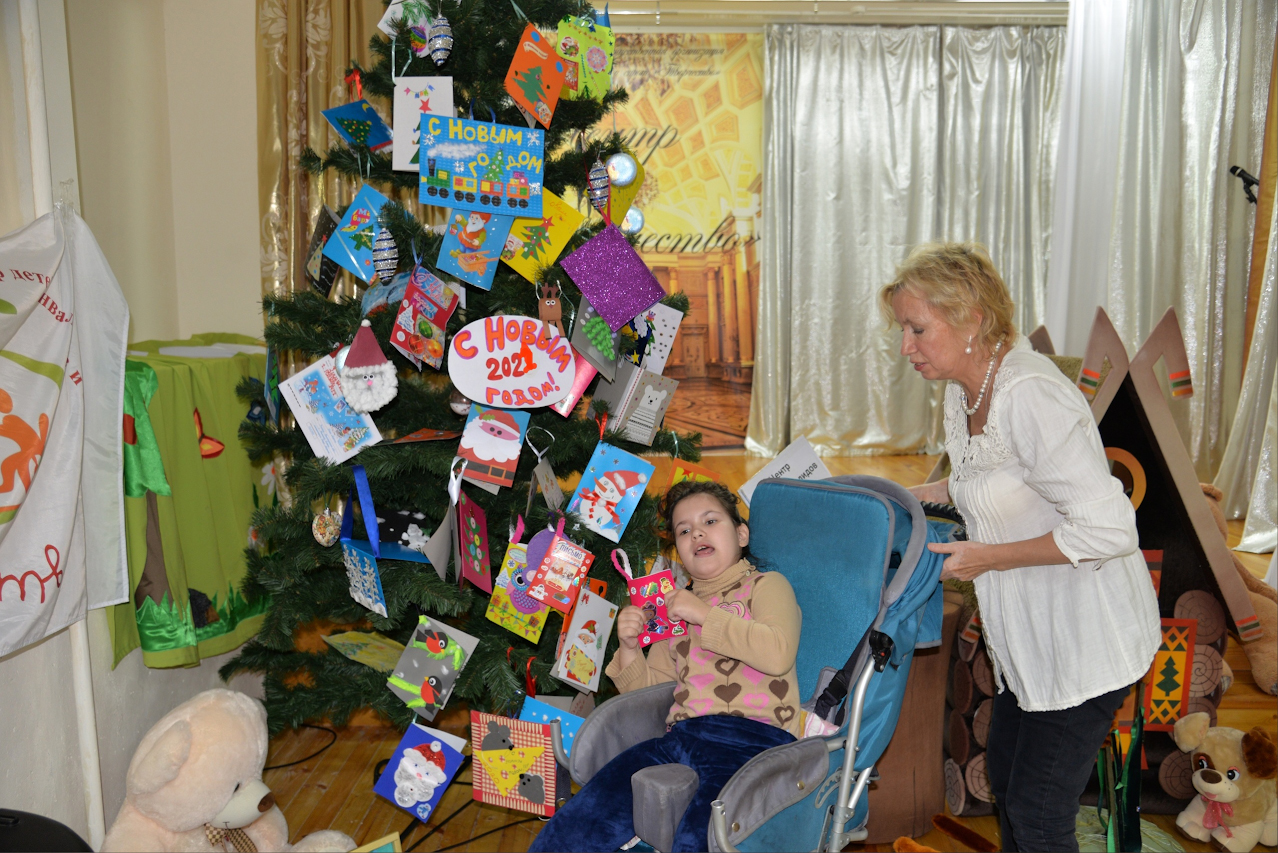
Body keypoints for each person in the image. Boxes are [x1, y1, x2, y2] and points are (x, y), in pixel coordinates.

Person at [880, 242, 1160, 852]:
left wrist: (986, 558)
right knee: (1007, 780)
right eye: (903, 329)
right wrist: (902, 496)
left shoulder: (1032, 395)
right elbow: (985, 481)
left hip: (1085, 639)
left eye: (917, 328)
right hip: (1033, 638)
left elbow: (1111, 529)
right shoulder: (964, 389)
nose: (905, 346)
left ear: (972, 319)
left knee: (1037, 813)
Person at [530, 480, 810, 853]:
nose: (697, 533)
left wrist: (703, 614)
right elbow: (649, 697)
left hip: (757, 743)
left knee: (697, 838)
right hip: (683, 737)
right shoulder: (673, 610)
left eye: (710, 521)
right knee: (585, 817)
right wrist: (630, 648)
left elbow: (777, 653)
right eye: (684, 530)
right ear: (679, 550)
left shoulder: (766, 585)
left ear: (741, 534)